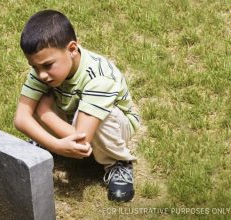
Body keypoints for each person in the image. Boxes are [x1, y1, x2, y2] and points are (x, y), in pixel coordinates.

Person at [13, 9, 140, 202]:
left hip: (110, 128)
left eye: (47, 65)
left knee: (104, 116)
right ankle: (50, 145)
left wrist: (45, 113)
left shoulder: (99, 76)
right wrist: (56, 145)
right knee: (39, 97)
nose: (41, 75)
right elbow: (21, 119)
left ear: (72, 49)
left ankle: (118, 162)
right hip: (73, 120)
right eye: (34, 67)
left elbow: (82, 141)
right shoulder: (43, 70)